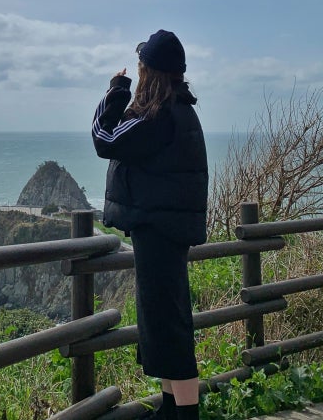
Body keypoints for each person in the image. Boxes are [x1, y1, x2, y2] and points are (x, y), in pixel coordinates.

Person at [92, 29, 208, 420]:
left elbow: (105, 138)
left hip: (158, 231)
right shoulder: (180, 109)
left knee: (168, 325)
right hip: (165, 230)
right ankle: (172, 409)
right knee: (161, 322)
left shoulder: (158, 117)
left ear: (151, 73)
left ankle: (185, 414)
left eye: (141, 67)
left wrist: (116, 90)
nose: (138, 72)